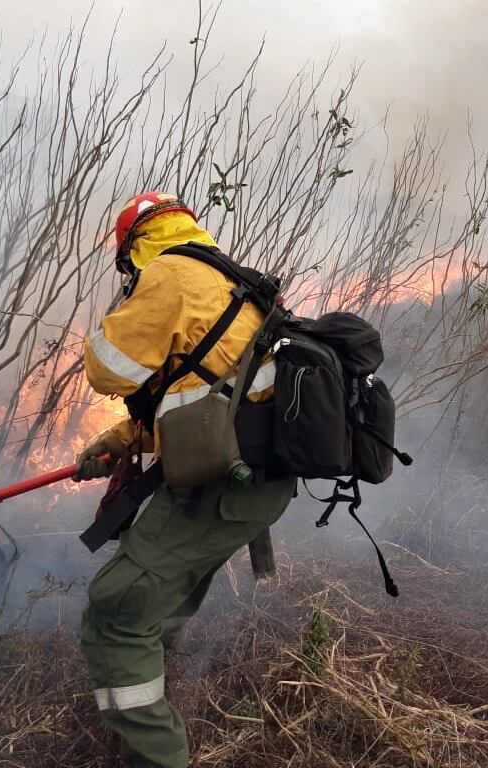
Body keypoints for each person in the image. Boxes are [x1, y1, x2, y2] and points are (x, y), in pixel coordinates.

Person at [75, 192, 295, 768]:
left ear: (131, 249)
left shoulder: (169, 274)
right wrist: (121, 440)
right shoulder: (235, 284)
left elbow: (106, 371)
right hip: (254, 484)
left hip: (219, 489)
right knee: (159, 600)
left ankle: (154, 753)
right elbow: (210, 402)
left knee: (116, 611)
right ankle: (148, 688)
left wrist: (114, 315)